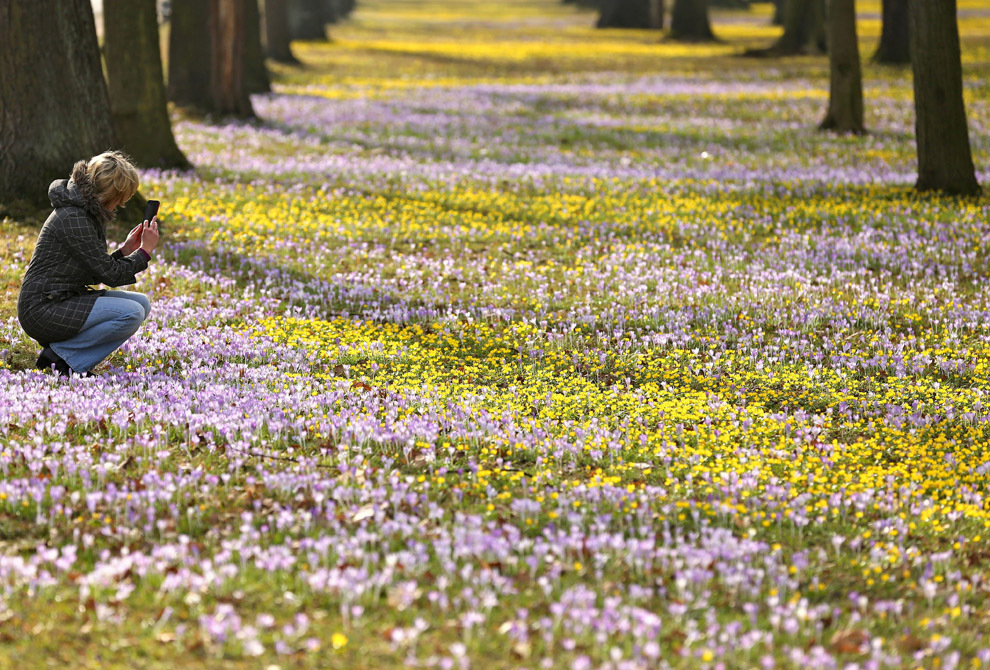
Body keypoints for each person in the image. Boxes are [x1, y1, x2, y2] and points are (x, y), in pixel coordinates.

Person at [17, 151, 160, 377]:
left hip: (61, 298)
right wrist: (145, 252)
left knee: (141, 304)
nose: (121, 204)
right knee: (131, 313)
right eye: (120, 198)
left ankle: (62, 355)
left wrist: (126, 250)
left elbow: (93, 272)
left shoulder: (84, 212)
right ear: (110, 193)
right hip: (43, 309)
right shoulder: (74, 218)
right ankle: (62, 360)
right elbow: (111, 276)